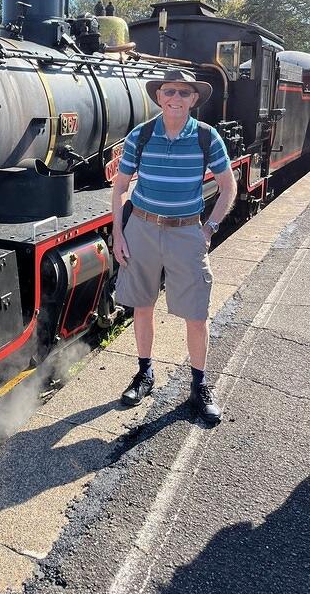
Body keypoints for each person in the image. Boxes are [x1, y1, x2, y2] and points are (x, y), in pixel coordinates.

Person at [112, 68, 237, 424]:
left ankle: (199, 387)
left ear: (194, 99)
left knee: (196, 314)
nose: (176, 98)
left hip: (187, 232)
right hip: (142, 229)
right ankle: (145, 373)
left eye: (184, 93)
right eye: (170, 92)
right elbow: (120, 187)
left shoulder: (206, 137)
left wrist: (209, 228)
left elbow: (228, 186)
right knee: (142, 305)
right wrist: (119, 234)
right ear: (159, 96)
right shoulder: (142, 134)